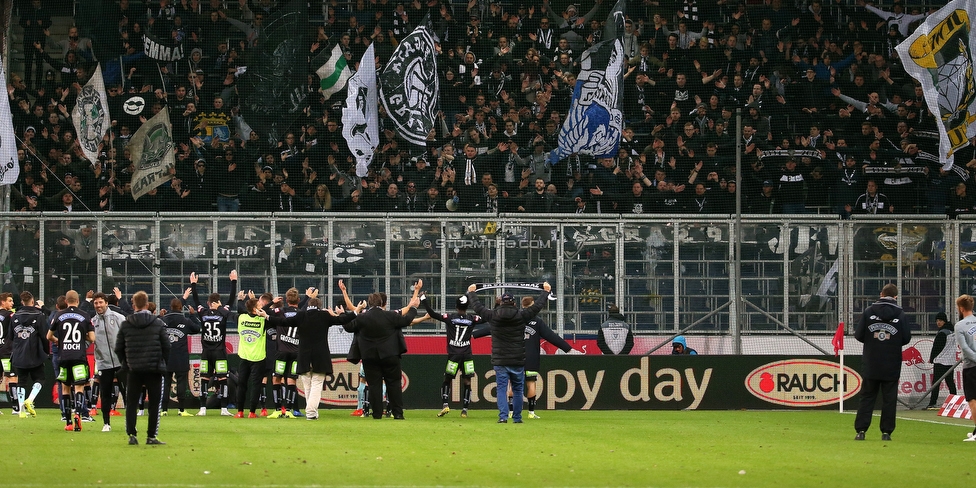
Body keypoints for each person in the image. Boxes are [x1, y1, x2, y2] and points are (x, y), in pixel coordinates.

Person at [465, 282, 552, 423]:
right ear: (514, 303)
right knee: (518, 390)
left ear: (501, 303)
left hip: (500, 360)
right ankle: (517, 418)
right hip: (517, 359)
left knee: (501, 389)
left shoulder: (492, 315)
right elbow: (536, 307)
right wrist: (546, 292)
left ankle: (503, 417)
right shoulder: (521, 316)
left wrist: (472, 293)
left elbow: (478, 308)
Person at [342, 280, 423, 420]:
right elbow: (406, 320)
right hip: (390, 355)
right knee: (394, 384)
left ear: (370, 303)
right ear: (382, 303)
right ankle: (398, 414)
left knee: (374, 386)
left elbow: (348, 327)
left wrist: (346, 314)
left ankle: (377, 414)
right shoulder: (390, 316)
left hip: (369, 357)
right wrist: (415, 308)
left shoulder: (362, 318)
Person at [854, 283, 910, 441]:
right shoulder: (900, 314)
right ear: (895, 297)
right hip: (891, 363)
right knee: (889, 400)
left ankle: (861, 431)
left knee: (867, 397)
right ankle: (886, 432)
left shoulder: (869, 311)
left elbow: (858, 335)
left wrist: (874, 342)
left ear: (881, 294)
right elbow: (906, 338)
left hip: (871, 362)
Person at [116, 291, 170, 445]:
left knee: (131, 403)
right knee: (154, 404)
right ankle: (151, 436)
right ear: (147, 305)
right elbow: (167, 346)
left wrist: (126, 364)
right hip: (154, 369)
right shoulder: (157, 323)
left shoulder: (126, 324)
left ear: (134, 305)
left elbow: (119, 348)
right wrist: (161, 363)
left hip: (134, 370)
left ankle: (132, 435)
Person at [421, 292, 485, 418]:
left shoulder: (449, 318)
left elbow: (433, 314)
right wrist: (497, 306)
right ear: (467, 307)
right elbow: (487, 317)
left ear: (456, 306)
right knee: (467, 382)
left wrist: (423, 299)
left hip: (454, 355)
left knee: (447, 380)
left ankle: (445, 404)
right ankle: (464, 410)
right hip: (467, 355)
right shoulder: (472, 319)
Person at [517, 295, 579, 419]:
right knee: (531, 383)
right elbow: (551, 336)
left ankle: (511, 412)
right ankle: (531, 412)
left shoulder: (514, 318)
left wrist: (475, 334)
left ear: (522, 305)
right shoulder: (537, 321)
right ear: (533, 305)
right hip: (532, 357)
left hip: (515, 356)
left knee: (511, 383)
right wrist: (568, 349)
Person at [189, 270, 238, 416]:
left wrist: (193, 284)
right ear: (218, 303)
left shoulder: (202, 312)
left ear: (208, 303)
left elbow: (196, 301)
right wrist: (233, 281)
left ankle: (202, 409)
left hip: (206, 352)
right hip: (220, 351)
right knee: (223, 379)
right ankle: (224, 409)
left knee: (204, 378)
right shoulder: (223, 312)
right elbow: (231, 300)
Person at [47, 290, 95, 432]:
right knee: (79, 387)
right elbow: (92, 338)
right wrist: (81, 337)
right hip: (79, 357)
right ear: (78, 301)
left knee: (66, 388)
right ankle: (78, 415)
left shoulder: (59, 315)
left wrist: (58, 341)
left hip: (64, 357)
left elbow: (49, 336)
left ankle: (68, 422)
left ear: (66, 302)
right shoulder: (85, 316)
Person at [161, 293, 201, 417]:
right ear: (181, 308)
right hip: (181, 356)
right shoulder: (185, 320)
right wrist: (193, 315)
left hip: (166, 357)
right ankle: (181, 410)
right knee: (181, 383)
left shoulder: (163, 320)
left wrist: (159, 315)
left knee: (166, 384)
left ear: (170, 307)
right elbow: (197, 329)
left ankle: (164, 410)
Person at [91, 292, 126, 431]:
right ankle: (106, 423)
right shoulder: (93, 322)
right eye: (96, 303)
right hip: (103, 363)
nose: (98, 305)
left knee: (126, 392)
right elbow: (89, 340)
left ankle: (130, 422)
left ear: (106, 303)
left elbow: (127, 336)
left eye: (100, 302)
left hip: (121, 362)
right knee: (105, 393)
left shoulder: (118, 317)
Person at [10, 292, 48, 418]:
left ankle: (21, 410)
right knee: (40, 379)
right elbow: (44, 336)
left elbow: (10, 336)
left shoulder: (14, 316)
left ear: (22, 302)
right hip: (34, 354)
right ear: (32, 302)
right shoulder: (39, 315)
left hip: (18, 354)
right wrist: (46, 351)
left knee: (21, 382)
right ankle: (30, 400)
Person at [234, 298, 271, 418]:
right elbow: (274, 319)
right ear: (255, 309)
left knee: (241, 384)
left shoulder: (242, 318)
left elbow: (239, 310)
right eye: (260, 304)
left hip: (244, 356)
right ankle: (252, 412)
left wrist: (240, 300)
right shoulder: (263, 320)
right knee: (256, 385)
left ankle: (240, 412)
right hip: (258, 358)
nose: (262, 305)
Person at [928, 311, 958, 410]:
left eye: (940, 320)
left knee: (936, 383)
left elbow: (937, 347)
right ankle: (955, 402)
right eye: (937, 321)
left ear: (944, 321)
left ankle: (932, 403)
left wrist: (932, 358)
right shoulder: (952, 331)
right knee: (950, 382)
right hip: (950, 361)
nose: (938, 323)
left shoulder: (942, 333)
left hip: (940, 361)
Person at [0, 293, 17, 415]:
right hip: (6, 351)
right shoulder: (9, 315)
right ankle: (16, 407)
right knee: (12, 378)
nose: (12, 303)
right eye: (10, 301)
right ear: (2, 302)